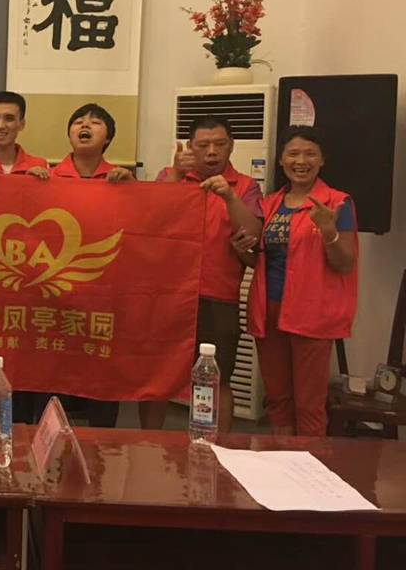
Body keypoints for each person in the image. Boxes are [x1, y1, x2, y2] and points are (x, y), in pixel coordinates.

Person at [141, 116, 263, 432]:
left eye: (219, 144)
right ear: (190, 147)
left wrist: (230, 197)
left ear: (231, 146)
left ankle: (219, 449)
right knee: (157, 375)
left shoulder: (246, 186)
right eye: (203, 145)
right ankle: (149, 443)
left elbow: (254, 235)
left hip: (218, 296)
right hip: (167, 295)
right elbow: (149, 220)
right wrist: (177, 175)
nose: (211, 152)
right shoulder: (171, 176)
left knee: (218, 378)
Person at [241, 126, 357, 436]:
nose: (301, 161)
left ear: (322, 160)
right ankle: (281, 460)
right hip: (269, 311)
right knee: (278, 401)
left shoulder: (338, 203)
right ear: (281, 160)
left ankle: (308, 464)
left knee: (309, 405)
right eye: (293, 154)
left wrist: (329, 232)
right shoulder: (270, 204)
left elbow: (345, 264)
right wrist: (241, 250)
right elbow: (259, 261)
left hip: (311, 314)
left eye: (310, 154)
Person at [30, 103, 134, 427]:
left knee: (103, 379)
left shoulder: (121, 180)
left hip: (104, 298)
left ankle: (102, 447)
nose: (85, 126)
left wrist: (133, 190)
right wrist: (29, 189)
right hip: (56, 298)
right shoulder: (48, 177)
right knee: (52, 376)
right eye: (78, 122)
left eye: (95, 122)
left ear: (108, 138)